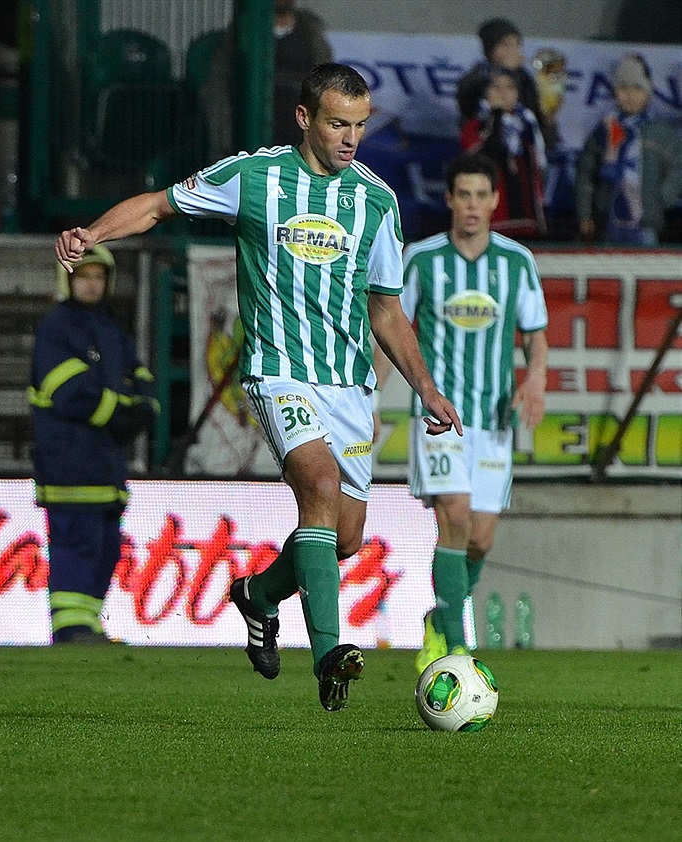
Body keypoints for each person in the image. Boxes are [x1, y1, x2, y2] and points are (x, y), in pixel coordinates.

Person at [55, 63, 462, 709]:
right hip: (280, 374)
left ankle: (258, 594)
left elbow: (385, 309)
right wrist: (92, 234)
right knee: (319, 487)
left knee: (346, 537)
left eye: (359, 126)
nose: (350, 138)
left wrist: (426, 388)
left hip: (349, 386)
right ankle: (329, 652)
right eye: (337, 123)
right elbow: (158, 205)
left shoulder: (376, 201)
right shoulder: (253, 178)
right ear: (304, 118)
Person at [373, 153, 548, 673]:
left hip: (493, 421)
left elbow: (535, 335)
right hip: (439, 418)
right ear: (449, 199)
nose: (472, 205)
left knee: (480, 537)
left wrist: (536, 378)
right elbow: (391, 333)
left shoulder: (516, 262)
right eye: (463, 195)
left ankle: (439, 618)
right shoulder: (422, 259)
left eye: (481, 196)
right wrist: (372, 400)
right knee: (454, 513)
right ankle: (456, 649)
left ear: (495, 201)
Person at [28, 245, 158, 643]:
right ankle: (70, 629)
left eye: (98, 276)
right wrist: (124, 412)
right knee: (77, 544)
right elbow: (69, 392)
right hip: (68, 461)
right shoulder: (57, 327)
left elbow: (140, 380)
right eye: (83, 276)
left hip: (105, 464)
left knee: (105, 547)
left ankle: (87, 624)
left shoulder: (111, 329)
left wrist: (143, 406)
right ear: (67, 280)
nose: (91, 284)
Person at [200, 0, 332, 160]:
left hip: (300, 142)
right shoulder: (241, 36)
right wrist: (224, 139)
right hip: (250, 140)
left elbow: (325, 87)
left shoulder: (311, 36)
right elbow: (218, 89)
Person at [574, 53, 682, 246]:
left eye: (637, 89)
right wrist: (585, 215)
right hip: (607, 222)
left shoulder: (662, 133)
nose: (630, 95)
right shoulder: (604, 130)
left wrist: (659, 199)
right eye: (624, 88)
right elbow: (585, 174)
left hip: (646, 223)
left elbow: (678, 168)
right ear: (615, 92)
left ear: (648, 92)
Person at [459, 65, 548, 239]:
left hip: (527, 219)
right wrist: (497, 116)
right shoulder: (476, 125)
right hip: (492, 219)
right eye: (496, 87)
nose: (503, 93)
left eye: (510, 87)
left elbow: (538, 167)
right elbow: (485, 155)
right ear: (485, 92)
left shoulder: (527, 123)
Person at [457, 17, 556, 150]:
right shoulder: (478, 76)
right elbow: (468, 102)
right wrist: (504, 70)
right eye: (505, 45)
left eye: (517, 44)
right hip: (486, 150)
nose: (513, 50)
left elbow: (536, 120)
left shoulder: (525, 78)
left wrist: (548, 118)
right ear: (490, 50)